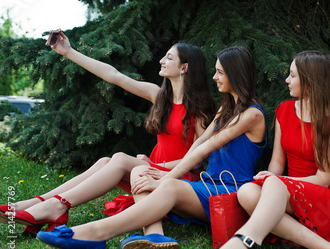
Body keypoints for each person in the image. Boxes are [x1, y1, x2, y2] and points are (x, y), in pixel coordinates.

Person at [35, 46, 267, 249]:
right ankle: (152, 234)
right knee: (141, 172)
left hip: (229, 192)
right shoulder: (224, 111)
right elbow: (198, 145)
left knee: (166, 183)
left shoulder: (252, 114)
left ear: (235, 75)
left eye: (220, 72)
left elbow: (203, 150)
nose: (214, 77)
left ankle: (93, 234)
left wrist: (166, 175)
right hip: (207, 187)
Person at [188, 50, 330, 249]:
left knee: (273, 184)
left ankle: (244, 245)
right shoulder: (285, 110)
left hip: (325, 197)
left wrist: (278, 181)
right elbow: (276, 164)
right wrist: (273, 178)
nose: (287, 80)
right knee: (246, 192)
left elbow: (323, 179)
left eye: (292, 76)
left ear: (309, 82)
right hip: (286, 192)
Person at [0, 31, 216, 236]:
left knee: (121, 159)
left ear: (184, 67)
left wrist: (152, 166)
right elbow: (114, 75)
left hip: (177, 177)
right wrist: (69, 52)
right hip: (151, 169)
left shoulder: (200, 109)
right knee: (105, 161)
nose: (162, 60)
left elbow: (198, 159)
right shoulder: (159, 96)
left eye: (169, 57)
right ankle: (33, 205)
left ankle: (57, 206)